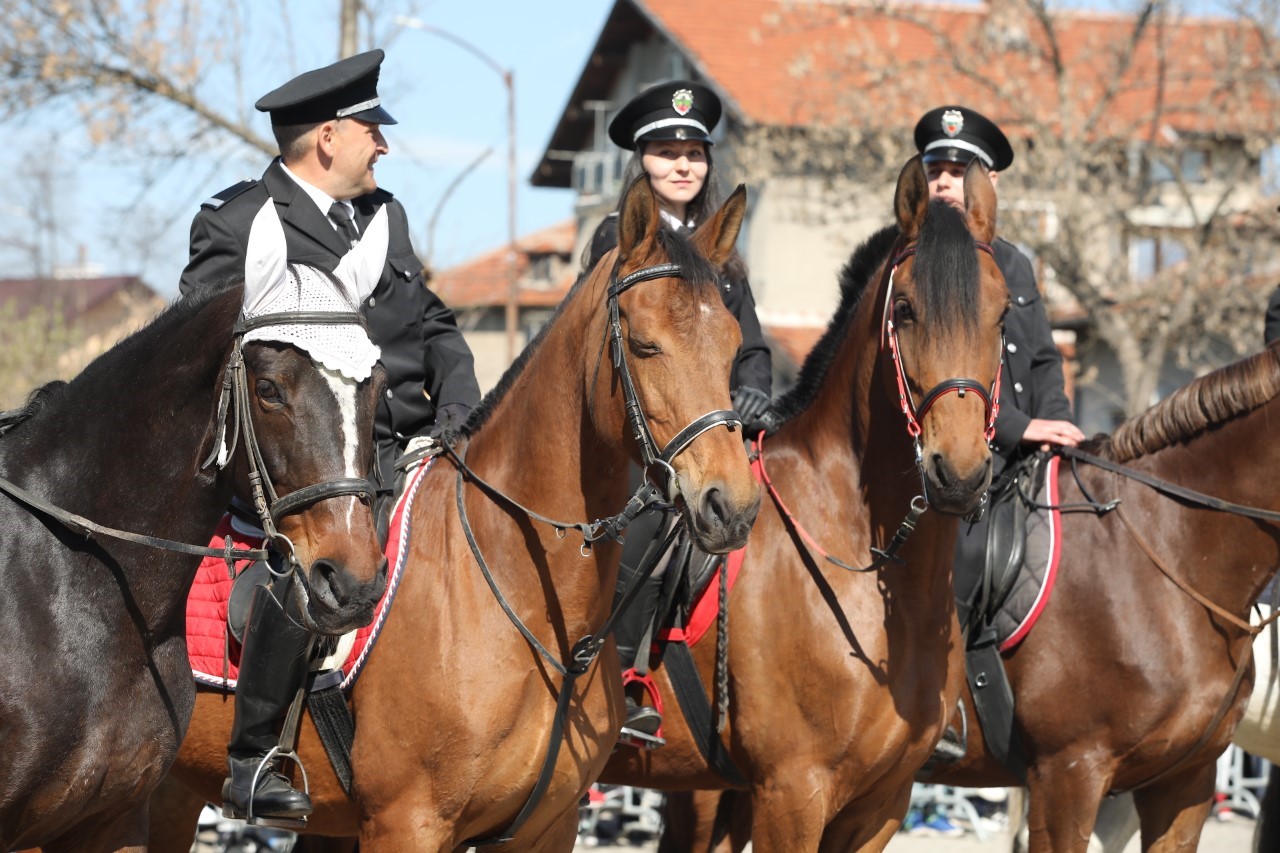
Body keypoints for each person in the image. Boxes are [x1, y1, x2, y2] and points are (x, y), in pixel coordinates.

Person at [179, 49, 481, 824]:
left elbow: (435, 323)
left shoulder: (387, 219)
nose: (383, 145)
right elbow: (207, 360)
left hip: (413, 449)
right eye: (371, 131)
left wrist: (462, 407)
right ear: (327, 140)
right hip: (300, 467)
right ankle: (255, 756)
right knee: (309, 561)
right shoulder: (239, 220)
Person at [584, 80, 772, 742]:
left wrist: (754, 391)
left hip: (716, 426)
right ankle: (626, 672)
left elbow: (747, 340)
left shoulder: (720, 243)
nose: (683, 165)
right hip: (645, 434)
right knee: (648, 519)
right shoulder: (617, 238)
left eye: (694, 153)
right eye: (667, 152)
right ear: (642, 162)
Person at [912, 105, 1085, 627]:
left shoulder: (1014, 263)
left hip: (1031, 460)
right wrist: (1019, 428)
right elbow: (936, 373)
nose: (944, 183)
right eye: (934, 171)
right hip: (961, 463)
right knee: (966, 561)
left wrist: (1058, 429)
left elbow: (1042, 359)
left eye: (959, 172)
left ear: (991, 183)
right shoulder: (913, 264)